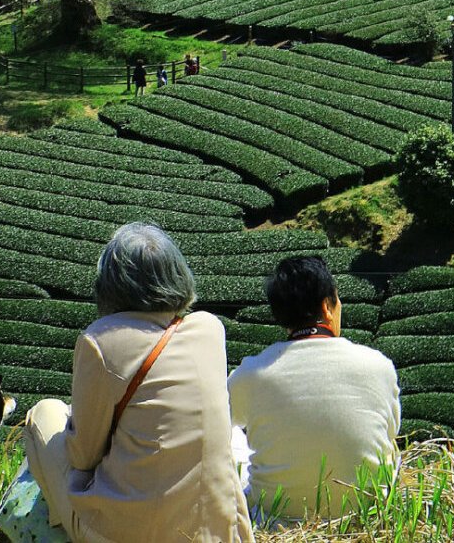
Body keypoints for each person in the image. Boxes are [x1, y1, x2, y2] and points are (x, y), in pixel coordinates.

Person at [22, 223, 254, 543]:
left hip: (130, 533)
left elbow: (82, 457)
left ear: (111, 284)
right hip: (213, 529)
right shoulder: (211, 329)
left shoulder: (100, 341)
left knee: (44, 413)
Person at [228, 256, 400, 524]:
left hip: (277, 522)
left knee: (229, 435)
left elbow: (218, 424)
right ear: (327, 307)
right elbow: (389, 435)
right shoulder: (379, 365)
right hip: (364, 518)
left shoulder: (250, 373)